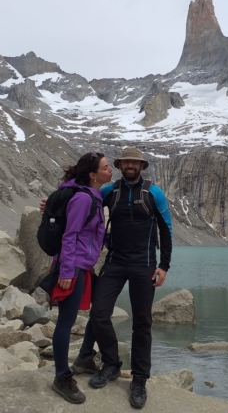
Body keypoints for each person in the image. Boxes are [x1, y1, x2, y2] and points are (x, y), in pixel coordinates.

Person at [71, 146, 172, 409]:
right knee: (99, 314)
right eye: (126, 161)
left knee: (142, 322)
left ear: (141, 166)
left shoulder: (153, 193)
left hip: (145, 265)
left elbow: (166, 228)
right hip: (115, 262)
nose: (130, 165)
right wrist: (53, 203)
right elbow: (81, 198)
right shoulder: (109, 192)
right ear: (120, 165)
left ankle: (139, 380)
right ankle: (112, 364)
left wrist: (164, 266)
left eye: (134, 162)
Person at [48, 152, 113, 404]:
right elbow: (70, 234)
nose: (110, 170)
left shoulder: (93, 195)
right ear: (93, 175)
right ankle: (62, 377)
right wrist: (66, 271)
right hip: (72, 267)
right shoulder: (83, 199)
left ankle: (85, 357)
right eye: (106, 168)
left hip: (83, 266)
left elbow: (91, 232)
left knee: (100, 311)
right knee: (66, 320)